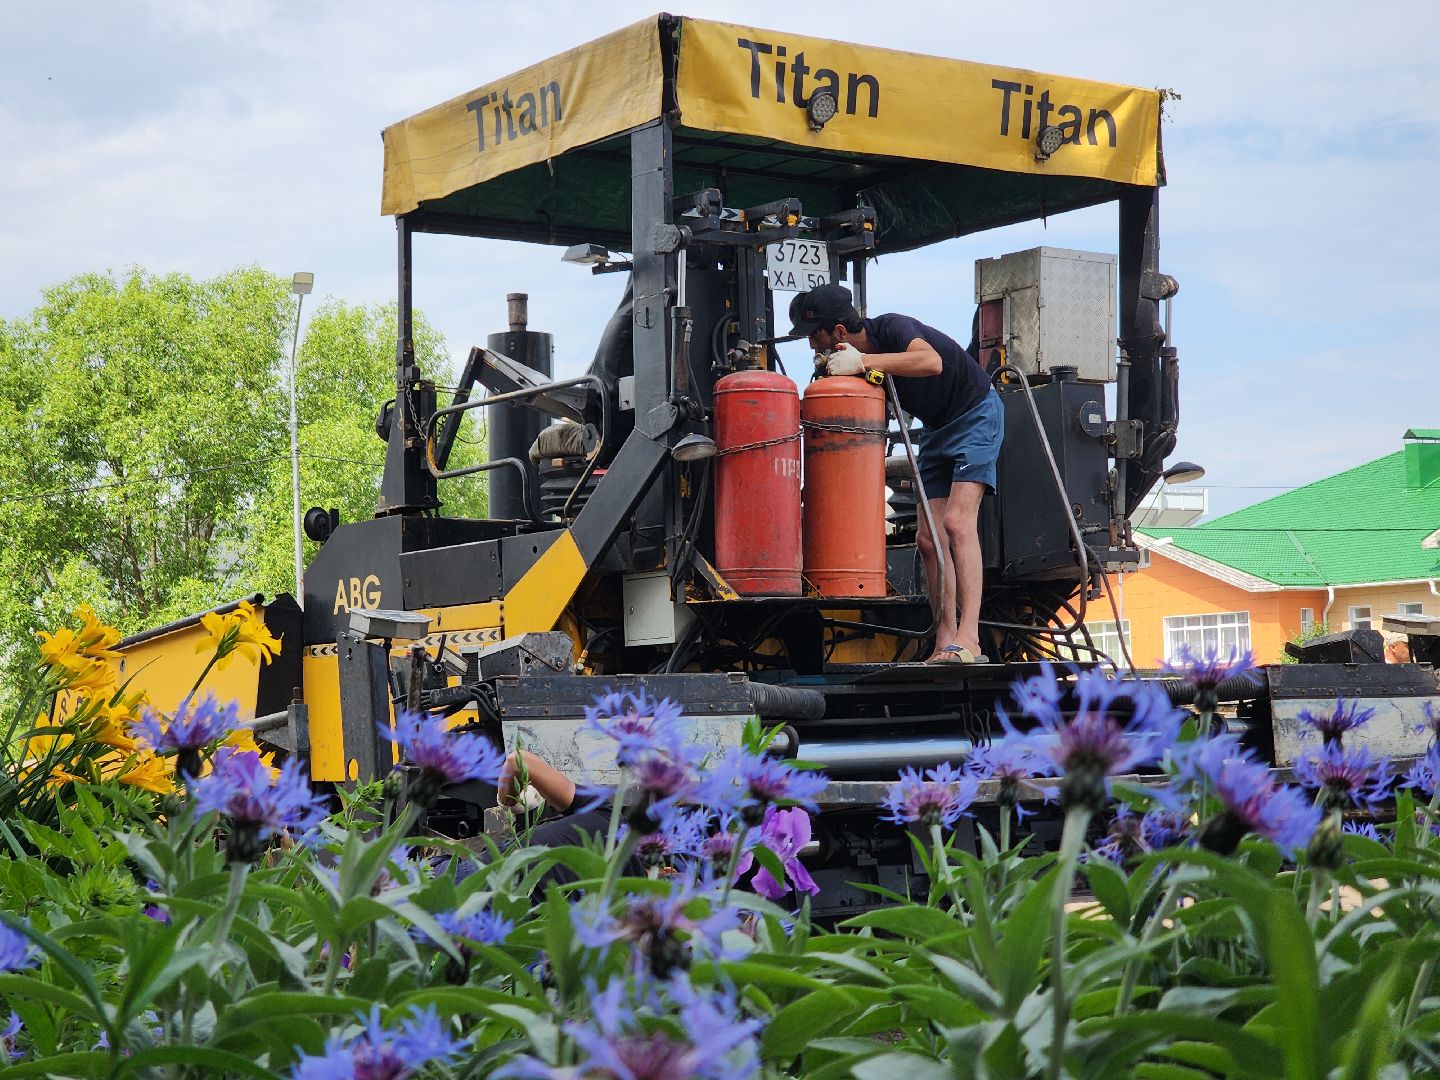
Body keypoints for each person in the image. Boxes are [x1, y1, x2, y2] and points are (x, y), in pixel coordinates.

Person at [789, 283, 1003, 663]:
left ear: (839, 332)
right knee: (928, 539)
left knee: (956, 523)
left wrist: (864, 364)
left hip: (975, 415)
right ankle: (945, 640)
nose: (810, 346)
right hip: (937, 430)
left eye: (814, 335)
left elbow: (931, 362)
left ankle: (970, 638)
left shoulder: (893, 329)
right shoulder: (851, 363)